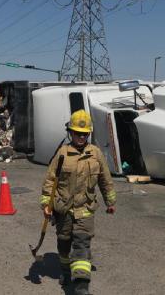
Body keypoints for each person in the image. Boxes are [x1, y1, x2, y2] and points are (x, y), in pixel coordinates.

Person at [39, 109, 116, 295]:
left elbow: (105, 179)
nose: (81, 137)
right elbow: (50, 180)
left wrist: (110, 201)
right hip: (63, 209)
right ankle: (66, 271)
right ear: (70, 133)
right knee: (64, 244)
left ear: (88, 134)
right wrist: (46, 205)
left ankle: (82, 286)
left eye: (84, 134)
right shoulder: (62, 154)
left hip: (85, 209)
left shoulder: (95, 153)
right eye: (77, 133)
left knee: (82, 245)